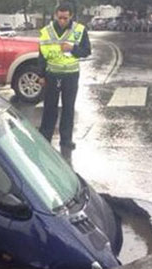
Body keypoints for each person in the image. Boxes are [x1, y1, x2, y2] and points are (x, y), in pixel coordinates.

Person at [38, 2, 91, 155]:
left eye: (65, 18)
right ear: (55, 15)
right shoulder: (46, 31)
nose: (62, 21)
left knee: (68, 108)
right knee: (49, 108)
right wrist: (41, 75)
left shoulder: (79, 30)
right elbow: (41, 55)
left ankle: (66, 139)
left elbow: (86, 51)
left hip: (71, 76)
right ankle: (45, 137)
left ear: (71, 16)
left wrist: (73, 48)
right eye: (60, 17)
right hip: (52, 74)